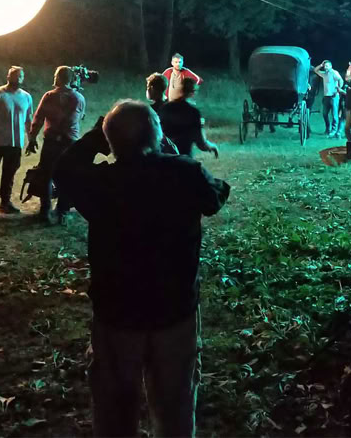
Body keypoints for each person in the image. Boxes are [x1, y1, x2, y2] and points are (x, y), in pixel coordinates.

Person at [53, 100, 231, 437]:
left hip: (116, 311)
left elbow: (64, 169)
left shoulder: (101, 182)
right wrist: (173, 155)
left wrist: (99, 134)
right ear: (157, 135)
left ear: (111, 141)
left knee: (114, 407)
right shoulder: (184, 173)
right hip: (174, 310)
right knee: (175, 403)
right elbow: (216, 195)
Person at [27, 66, 86, 223]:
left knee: (47, 175)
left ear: (59, 78)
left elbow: (38, 118)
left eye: (55, 75)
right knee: (67, 176)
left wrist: (32, 138)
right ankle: (62, 211)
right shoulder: (78, 98)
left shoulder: (49, 96)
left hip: (51, 141)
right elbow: (78, 117)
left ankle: (45, 210)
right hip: (69, 142)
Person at [0, 66, 35, 218]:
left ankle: (5, 203)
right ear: (8, 77)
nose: (17, 78)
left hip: (15, 143)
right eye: (14, 75)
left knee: (9, 175)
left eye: (20, 76)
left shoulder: (26, 97)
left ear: (23, 78)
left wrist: (31, 139)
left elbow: (28, 119)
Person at [157, 77, 219, 159]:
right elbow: (201, 143)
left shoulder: (165, 108)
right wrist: (212, 146)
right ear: (193, 92)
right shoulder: (193, 112)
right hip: (184, 157)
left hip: (165, 156)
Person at [313, 60, 344, 136]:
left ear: (331, 66)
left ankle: (334, 130)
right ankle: (327, 128)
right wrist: (321, 65)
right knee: (325, 114)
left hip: (334, 96)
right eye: (324, 66)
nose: (325, 67)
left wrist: (338, 89)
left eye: (327, 66)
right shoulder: (324, 74)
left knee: (334, 114)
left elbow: (340, 80)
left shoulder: (334, 73)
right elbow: (315, 70)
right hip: (326, 96)